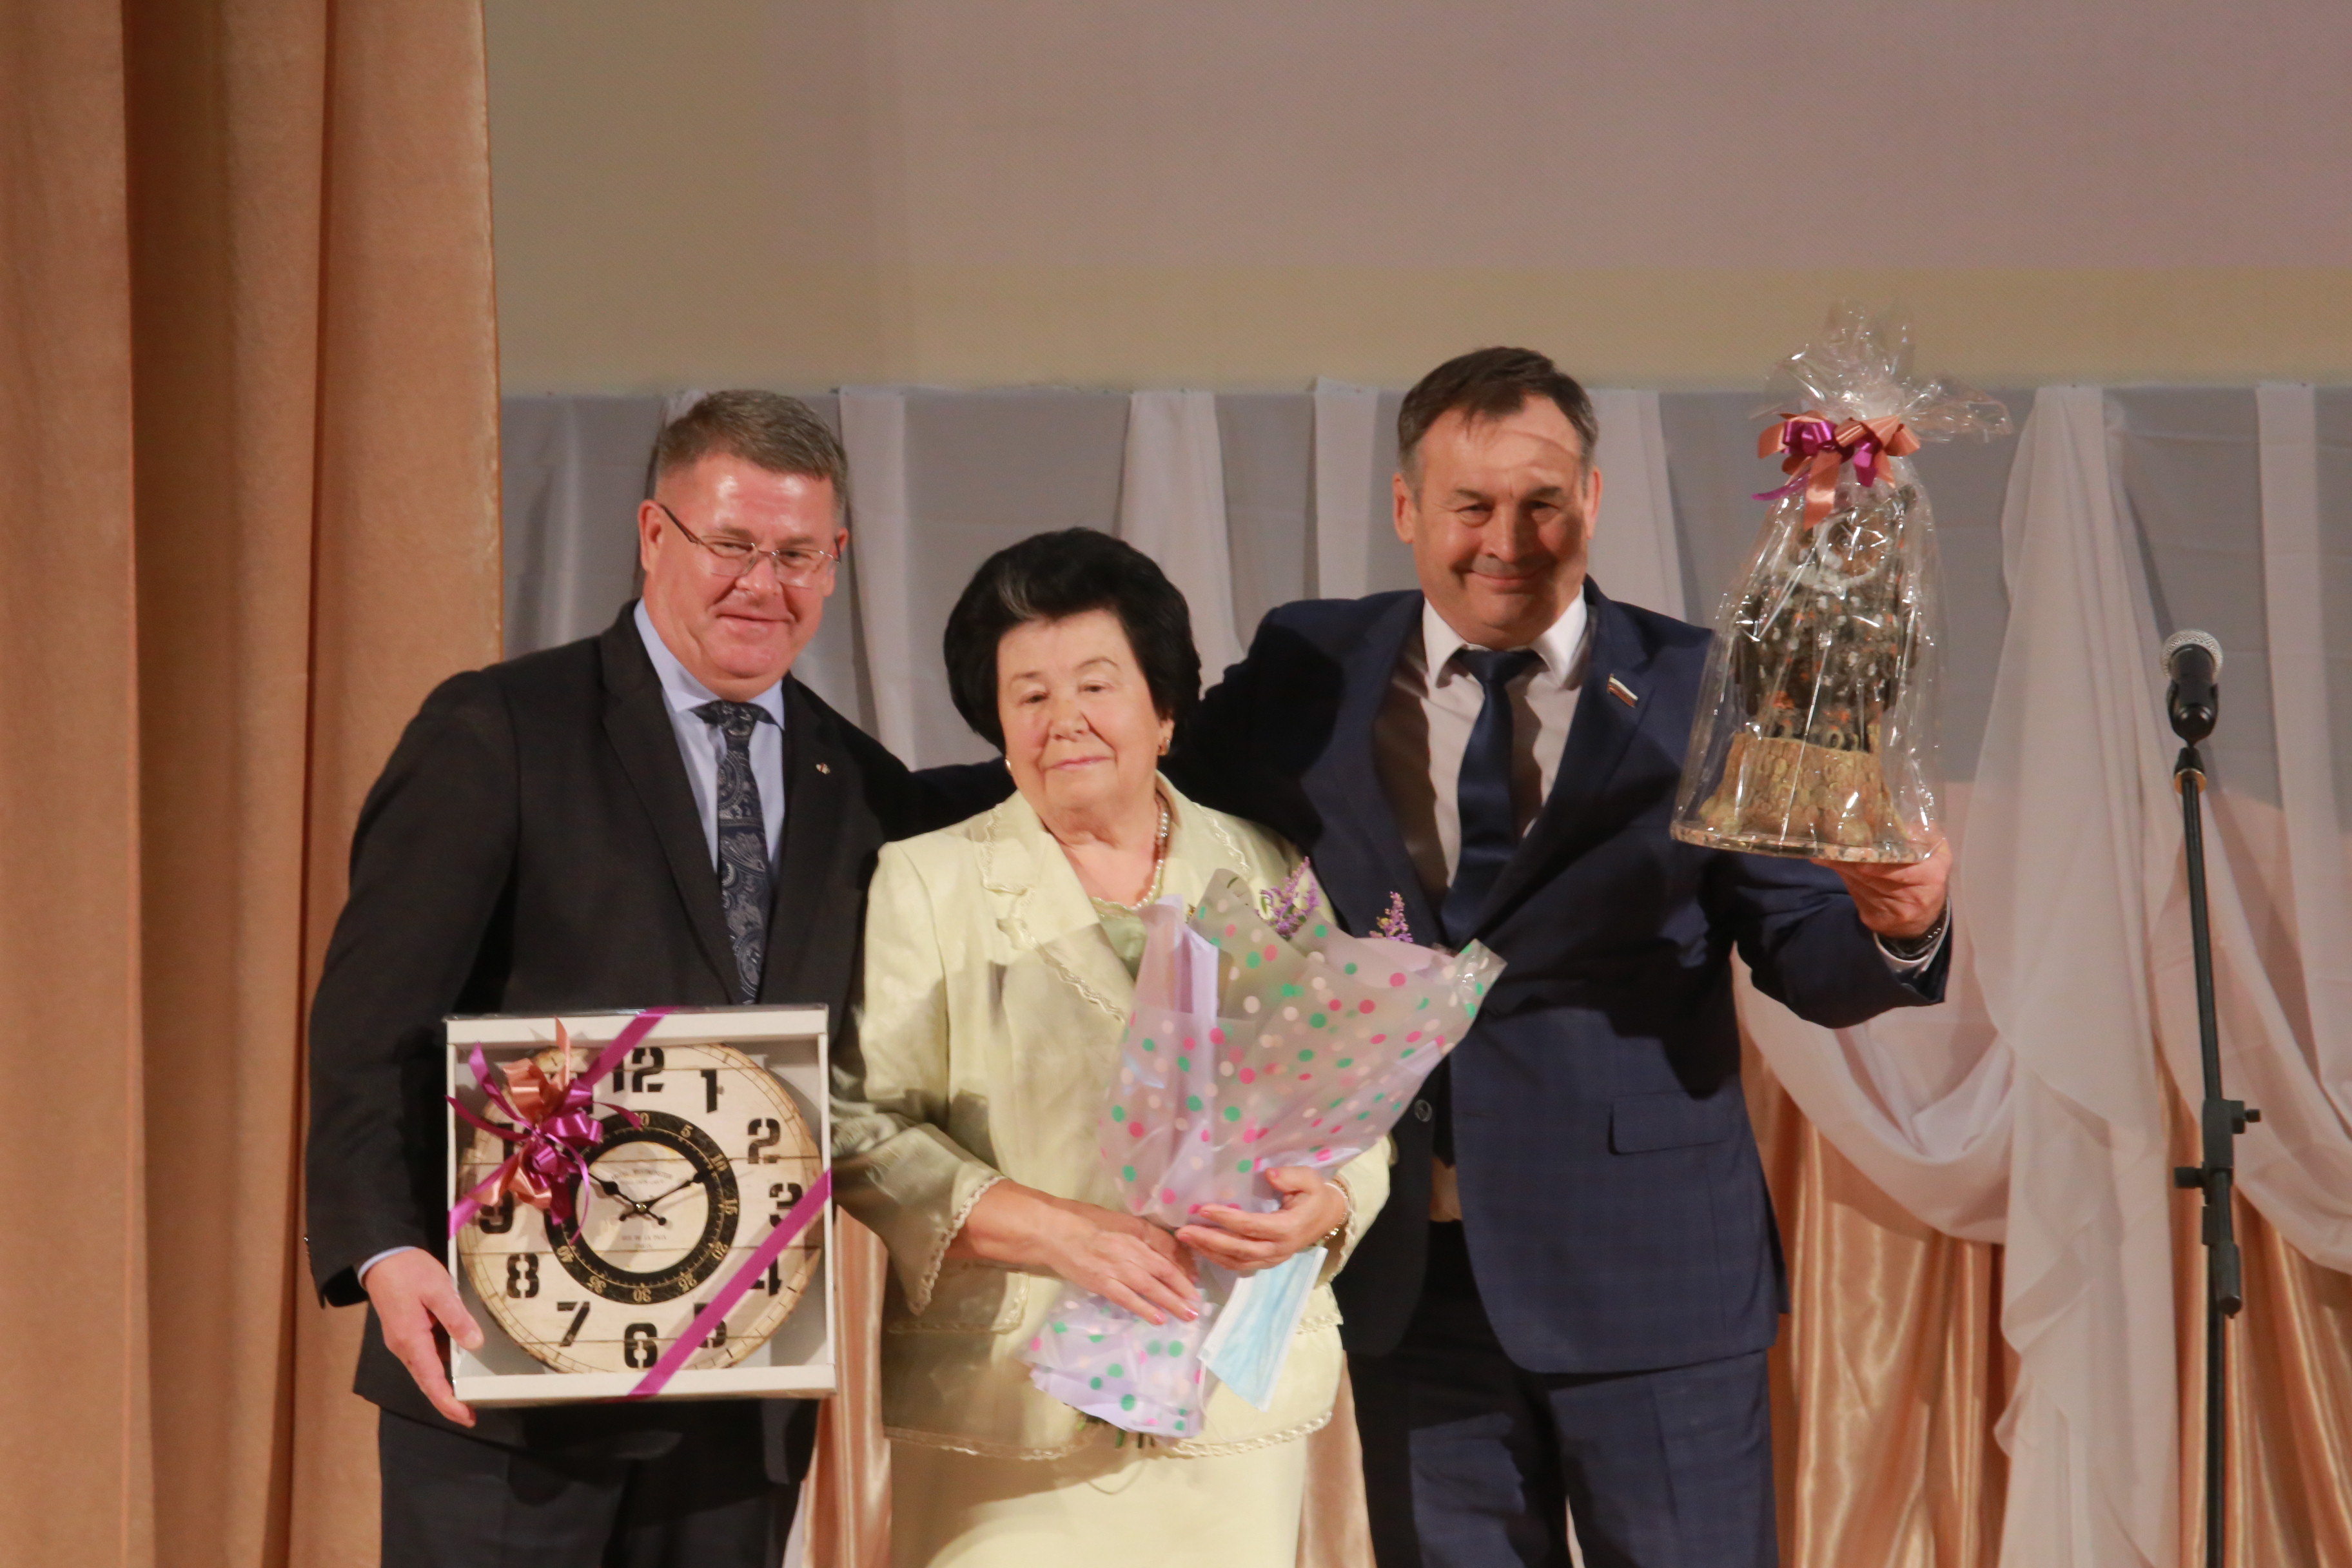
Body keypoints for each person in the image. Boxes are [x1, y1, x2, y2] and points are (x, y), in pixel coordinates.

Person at [1171, 348, 1955, 1567]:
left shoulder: (1706, 683)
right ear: (1405, 509)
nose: (1507, 541)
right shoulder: (1309, 668)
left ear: (1592, 499)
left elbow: (1804, 948)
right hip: (1412, 1284)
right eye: (1470, 506)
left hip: (1655, 1281)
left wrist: (1900, 922)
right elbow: (1145, 797)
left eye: (1542, 503)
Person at [304, 391, 977, 1566]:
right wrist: (384, 1245)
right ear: (655, 535)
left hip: (739, 1393)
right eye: (732, 544)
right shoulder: (499, 728)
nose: (762, 584)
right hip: (506, 1379)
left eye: (796, 555)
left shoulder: (870, 790)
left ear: (836, 562)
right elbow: (373, 1024)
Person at [832, 529, 1390, 1568]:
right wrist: (1057, 1234)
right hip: (1012, 1404)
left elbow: (1351, 1095)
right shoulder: (926, 881)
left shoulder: (1266, 865)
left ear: (1165, 710)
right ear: (997, 722)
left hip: (1228, 1396)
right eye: (1030, 694)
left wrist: (1332, 1204)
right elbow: (862, 1130)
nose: (1066, 720)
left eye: (1097, 685)